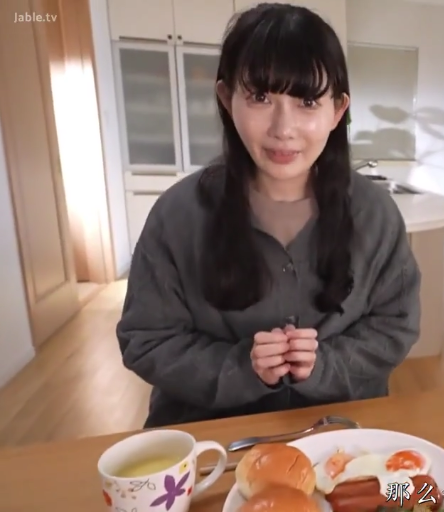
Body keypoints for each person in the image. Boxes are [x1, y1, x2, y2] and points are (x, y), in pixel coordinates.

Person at [116, 4, 421, 427]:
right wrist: (242, 368)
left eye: (307, 101)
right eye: (260, 97)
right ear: (227, 99)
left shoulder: (376, 214)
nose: (283, 128)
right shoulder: (177, 215)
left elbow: (395, 326)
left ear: (337, 111)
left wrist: (325, 365)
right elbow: (146, 339)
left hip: (339, 436)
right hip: (212, 440)